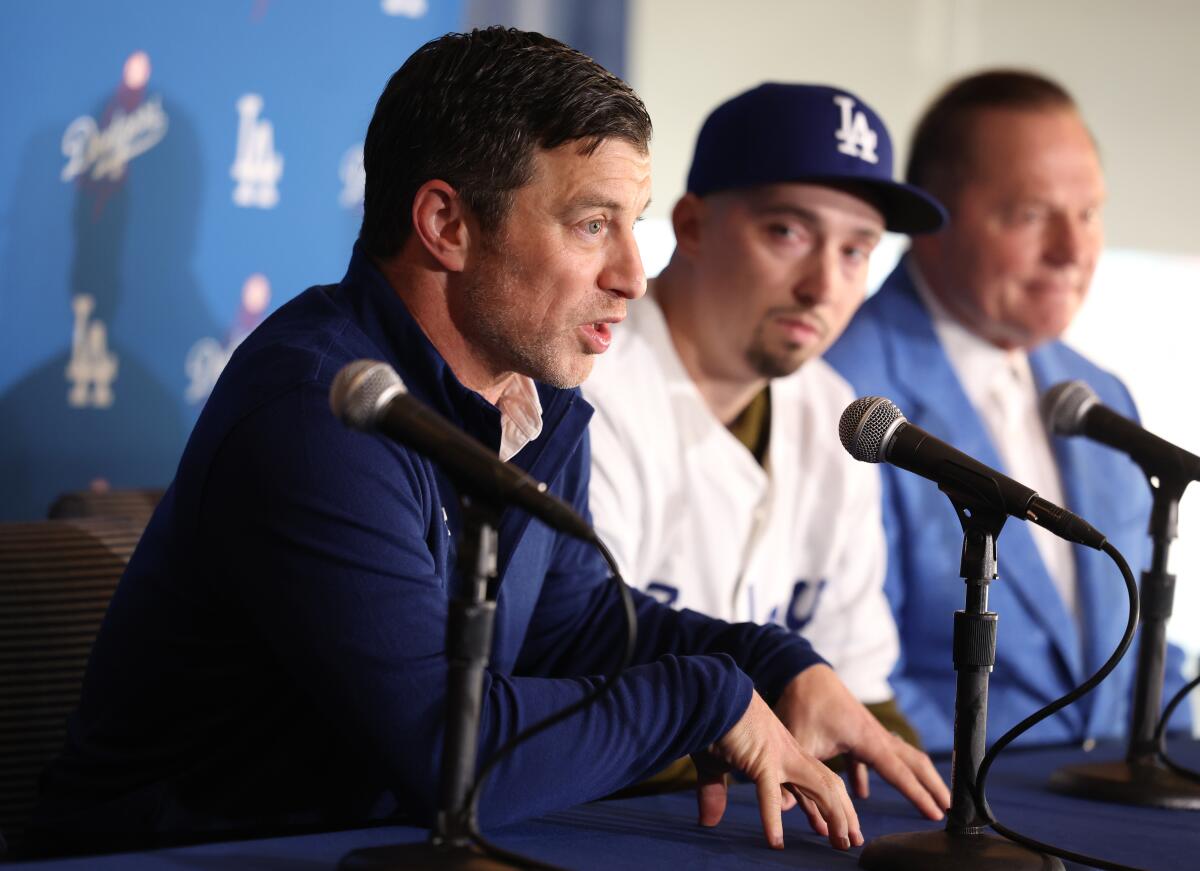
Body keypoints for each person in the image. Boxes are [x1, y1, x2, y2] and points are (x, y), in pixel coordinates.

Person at [31, 28, 948, 856]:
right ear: (447, 225)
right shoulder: (316, 410)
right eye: (594, 225)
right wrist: (703, 698)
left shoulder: (536, 398)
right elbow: (448, 751)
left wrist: (777, 663)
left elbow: (578, 628)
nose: (633, 273)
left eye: (634, 225)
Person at [826, 69, 1191, 752]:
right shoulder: (843, 392)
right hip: (951, 804)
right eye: (1030, 215)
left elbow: (1150, 643)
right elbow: (852, 673)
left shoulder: (1101, 393)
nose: (1073, 251)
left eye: (1088, 213)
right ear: (932, 219)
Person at [584, 83, 946, 751]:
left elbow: (858, 685)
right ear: (691, 225)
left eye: (856, 250)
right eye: (788, 231)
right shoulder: (588, 382)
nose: (823, 285)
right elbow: (574, 682)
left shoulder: (840, 415)